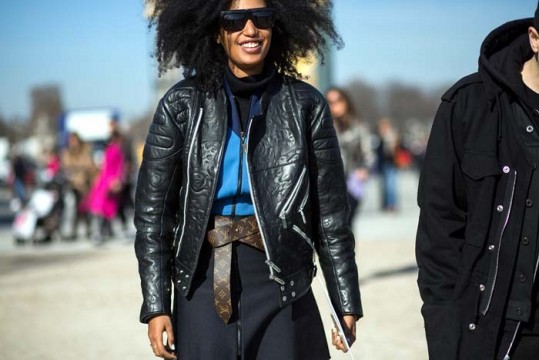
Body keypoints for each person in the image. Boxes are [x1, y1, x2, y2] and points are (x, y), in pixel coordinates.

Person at [134, 1, 362, 359]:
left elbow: (331, 215)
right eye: (235, 19)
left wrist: (345, 299)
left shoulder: (307, 105)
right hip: (201, 277)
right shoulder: (180, 105)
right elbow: (152, 216)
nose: (251, 29)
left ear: (279, 25)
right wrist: (156, 303)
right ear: (215, 29)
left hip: (284, 279)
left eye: (263, 18)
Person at [416, 3, 539, 359]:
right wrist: (444, 335)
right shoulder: (468, 105)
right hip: (486, 329)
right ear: (534, 38)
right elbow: (439, 231)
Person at [325, 87, 374, 227]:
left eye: (338, 100)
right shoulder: (322, 125)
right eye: (330, 101)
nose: (335, 105)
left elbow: (368, 153)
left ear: (346, 102)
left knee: (346, 225)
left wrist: (363, 170)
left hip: (351, 183)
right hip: (327, 184)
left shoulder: (358, 125)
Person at [87, 129, 125, 243]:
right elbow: (116, 167)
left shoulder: (112, 150)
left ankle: (101, 233)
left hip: (107, 181)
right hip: (108, 181)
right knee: (104, 208)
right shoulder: (114, 150)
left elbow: (115, 167)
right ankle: (101, 233)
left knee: (106, 208)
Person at [61, 133, 96, 240]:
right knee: (75, 207)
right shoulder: (67, 153)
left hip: (85, 184)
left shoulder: (85, 151)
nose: (73, 143)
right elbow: (66, 166)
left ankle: (88, 228)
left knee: (84, 207)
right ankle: (74, 230)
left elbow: (89, 166)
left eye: (74, 140)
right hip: (73, 185)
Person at [375, 117, 399, 212]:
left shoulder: (391, 136)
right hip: (383, 164)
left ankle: (391, 205)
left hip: (391, 164)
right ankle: (385, 204)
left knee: (391, 185)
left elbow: (393, 151)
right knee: (384, 186)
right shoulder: (379, 138)